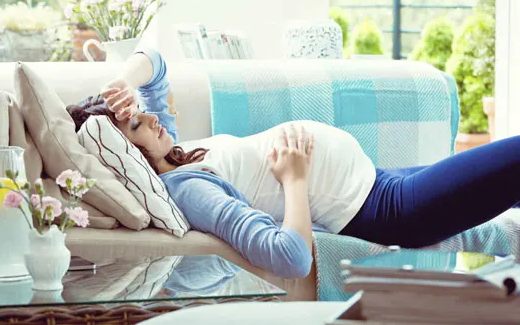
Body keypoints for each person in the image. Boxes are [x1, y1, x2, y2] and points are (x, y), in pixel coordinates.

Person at [67, 49, 520, 279]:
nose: (149, 117)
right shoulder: (188, 189)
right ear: (128, 157)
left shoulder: (171, 154)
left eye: (138, 111)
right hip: (390, 208)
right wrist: (294, 179)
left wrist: (120, 83)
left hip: (378, 181)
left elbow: (156, 64)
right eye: (136, 124)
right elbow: (290, 258)